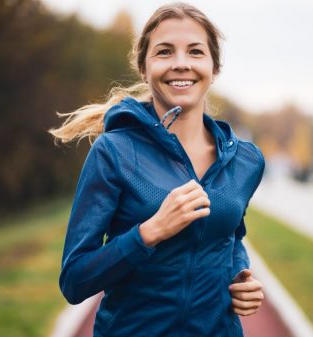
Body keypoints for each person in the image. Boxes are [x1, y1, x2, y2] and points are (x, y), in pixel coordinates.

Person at [49, 3, 265, 336]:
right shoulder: (114, 152)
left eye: (195, 52)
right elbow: (75, 280)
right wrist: (150, 232)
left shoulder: (246, 161)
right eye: (164, 52)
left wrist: (240, 276)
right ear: (144, 68)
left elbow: (231, 235)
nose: (181, 64)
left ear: (214, 67)